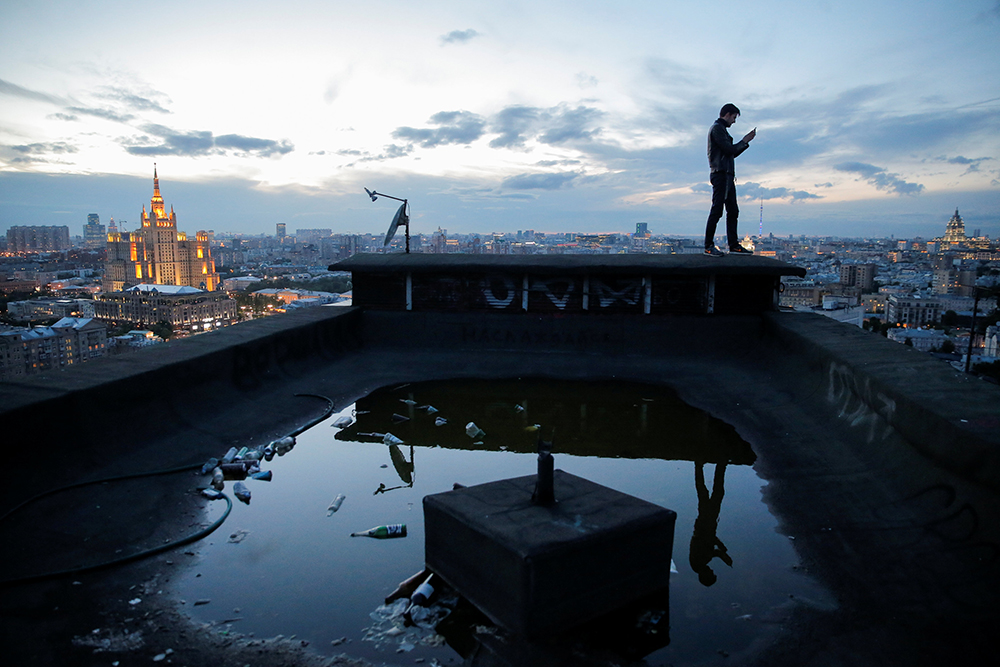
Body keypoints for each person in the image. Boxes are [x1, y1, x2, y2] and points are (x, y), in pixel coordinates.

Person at [704, 103, 756, 256]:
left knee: (732, 210)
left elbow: (730, 152)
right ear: (727, 114)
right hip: (721, 174)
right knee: (717, 210)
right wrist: (745, 140)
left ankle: (733, 245)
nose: (734, 121)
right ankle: (709, 246)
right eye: (734, 117)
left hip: (725, 175)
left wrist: (744, 143)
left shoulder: (720, 130)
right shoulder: (717, 129)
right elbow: (730, 150)